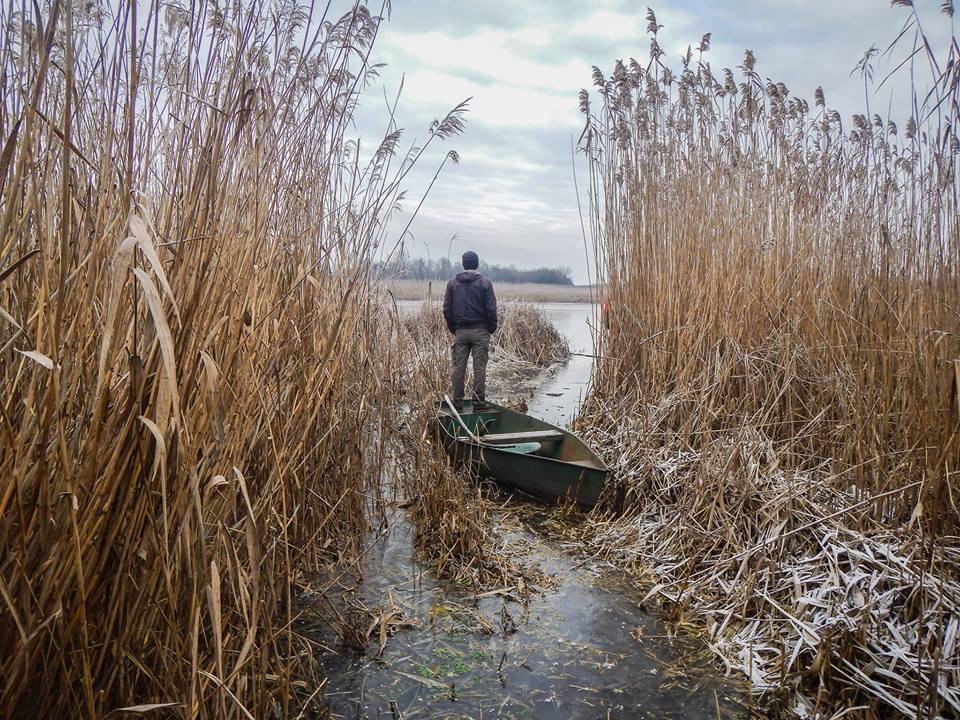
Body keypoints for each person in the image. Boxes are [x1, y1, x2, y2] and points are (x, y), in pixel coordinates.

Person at [442, 250, 497, 411]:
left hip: (460, 332)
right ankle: (479, 404)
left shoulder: (452, 283)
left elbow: (447, 309)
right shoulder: (485, 283)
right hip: (481, 331)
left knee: (459, 368)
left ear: (463, 264)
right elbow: (491, 309)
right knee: (479, 368)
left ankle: (457, 404)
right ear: (477, 264)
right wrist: (491, 328)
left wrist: (454, 328)